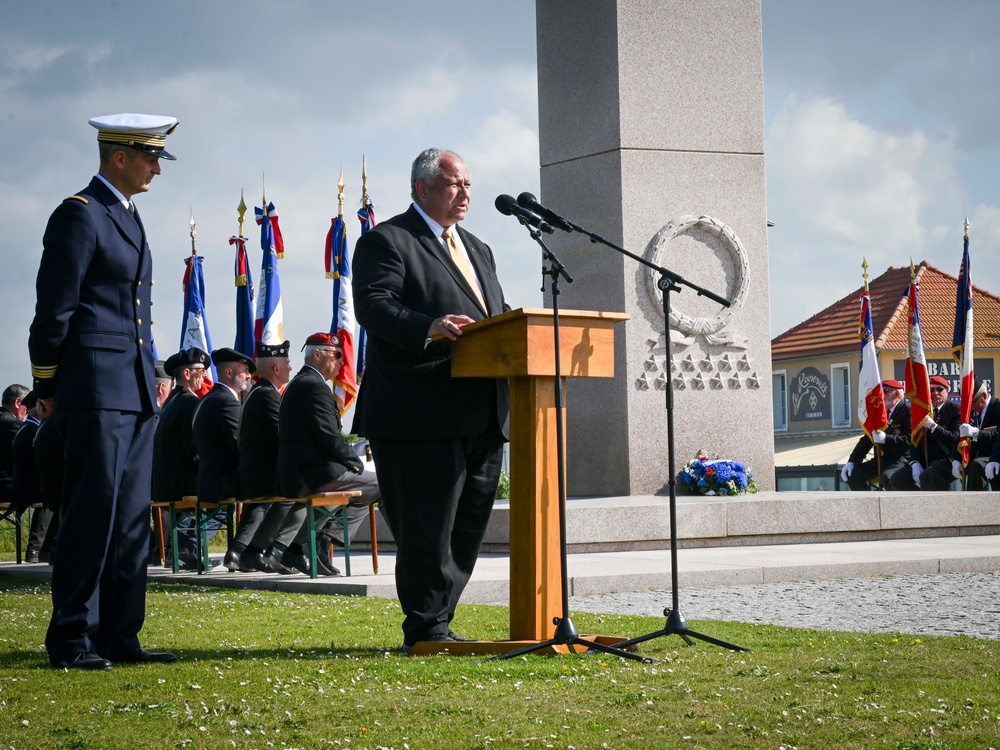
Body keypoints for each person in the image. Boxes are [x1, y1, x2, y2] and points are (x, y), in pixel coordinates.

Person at [28, 113, 179, 670]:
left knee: (131, 520)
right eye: (150, 157)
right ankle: (72, 639)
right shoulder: (80, 214)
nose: (157, 169)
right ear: (119, 157)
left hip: (135, 387)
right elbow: (54, 310)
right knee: (92, 513)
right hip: (93, 387)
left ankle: (120, 635)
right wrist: (47, 381)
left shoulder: (126, 216)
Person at [352, 148, 510, 650]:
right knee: (428, 528)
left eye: (468, 184)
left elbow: (496, 313)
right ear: (421, 189)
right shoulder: (388, 240)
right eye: (453, 184)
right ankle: (425, 628)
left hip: (482, 409)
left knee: (467, 527)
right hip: (419, 412)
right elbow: (374, 308)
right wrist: (430, 327)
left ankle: (438, 619)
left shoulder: (479, 247)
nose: (464, 193)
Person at [274, 333, 380, 576]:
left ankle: (302, 545)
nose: (342, 362)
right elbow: (329, 437)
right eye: (336, 355)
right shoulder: (313, 385)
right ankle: (322, 539)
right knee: (380, 485)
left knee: (366, 491)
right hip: (313, 474)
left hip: (306, 471)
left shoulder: (303, 383)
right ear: (318, 354)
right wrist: (357, 465)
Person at [226, 340, 296, 574]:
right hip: (263, 476)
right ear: (276, 369)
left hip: (257, 473)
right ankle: (266, 551)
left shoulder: (260, 393)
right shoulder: (267, 396)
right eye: (287, 363)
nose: (290, 367)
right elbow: (282, 437)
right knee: (294, 497)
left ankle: (248, 551)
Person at [151, 347, 210, 569]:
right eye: (201, 370)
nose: (204, 376)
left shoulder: (173, 400)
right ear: (187, 374)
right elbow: (193, 449)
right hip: (179, 483)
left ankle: (184, 544)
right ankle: (187, 544)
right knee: (224, 498)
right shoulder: (189, 403)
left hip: (165, 482)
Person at [889, 375, 960, 491]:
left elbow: (955, 439)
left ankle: (936, 506)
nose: (935, 393)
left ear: (947, 391)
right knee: (897, 479)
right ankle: (919, 504)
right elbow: (915, 440)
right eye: (931, 390)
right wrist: (915, 462)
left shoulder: (955, 410)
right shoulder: (924, 411)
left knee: (930, 475)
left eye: (940, 389)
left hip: (946, 459)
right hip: (925, 460)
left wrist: (933, 426)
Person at [12, 392, 60, 563]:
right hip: (33, 487)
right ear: (41, 408)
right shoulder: (37, 431)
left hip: (27, 485)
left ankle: (42, 549)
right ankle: (41, 548)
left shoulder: (29, 428)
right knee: (60, 499)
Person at [841, 379, 911, 490]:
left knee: (888, 478)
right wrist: (852, 461)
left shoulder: (907, 411)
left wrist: (886, 439)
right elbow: (867, 439)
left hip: (899, 460)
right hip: (880, 460)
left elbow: (910, 440)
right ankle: (868, 505)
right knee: (853, 475)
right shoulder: (880, 413)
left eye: (884, 391)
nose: (880, 396)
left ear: (896, 393)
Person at [0, 384, 28, 504]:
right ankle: (40, 524)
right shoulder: (14, 424)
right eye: (29, 404)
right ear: (18, 402)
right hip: (6, 490)